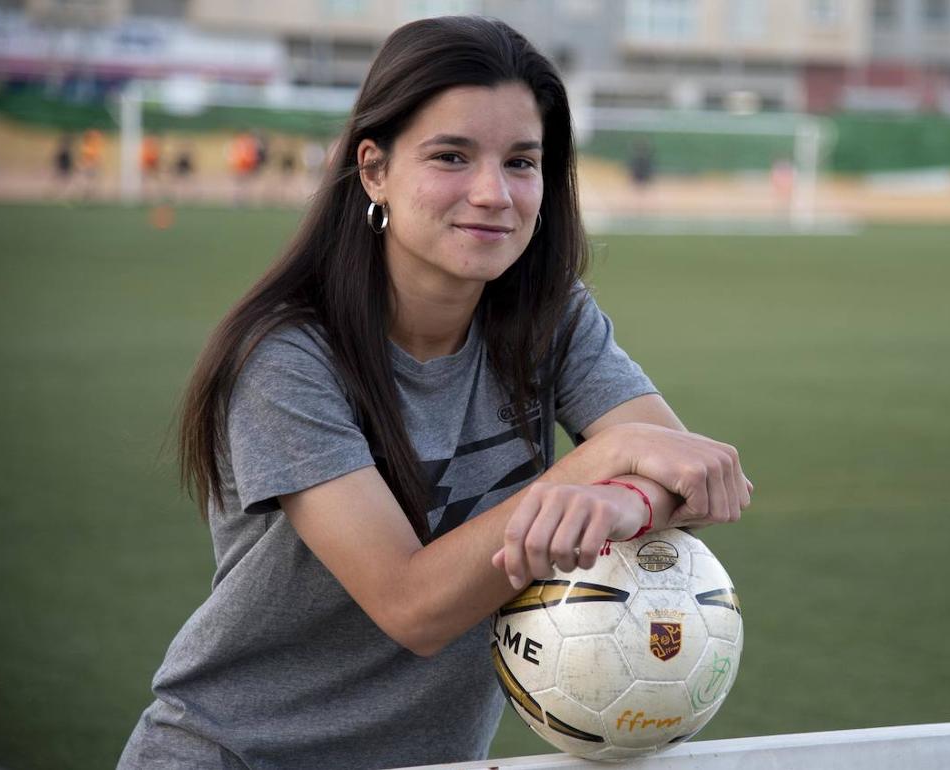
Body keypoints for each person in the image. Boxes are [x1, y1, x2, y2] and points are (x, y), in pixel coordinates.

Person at [118, 16, 750, 769]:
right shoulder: (288, 358)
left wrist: (626, 502)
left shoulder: (552, 319)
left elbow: (704, 479)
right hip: (238, 756)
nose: (493, 192)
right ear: (375, 169)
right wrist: (589, 468)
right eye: (451, 156)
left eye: (522, 162)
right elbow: (412, 607)